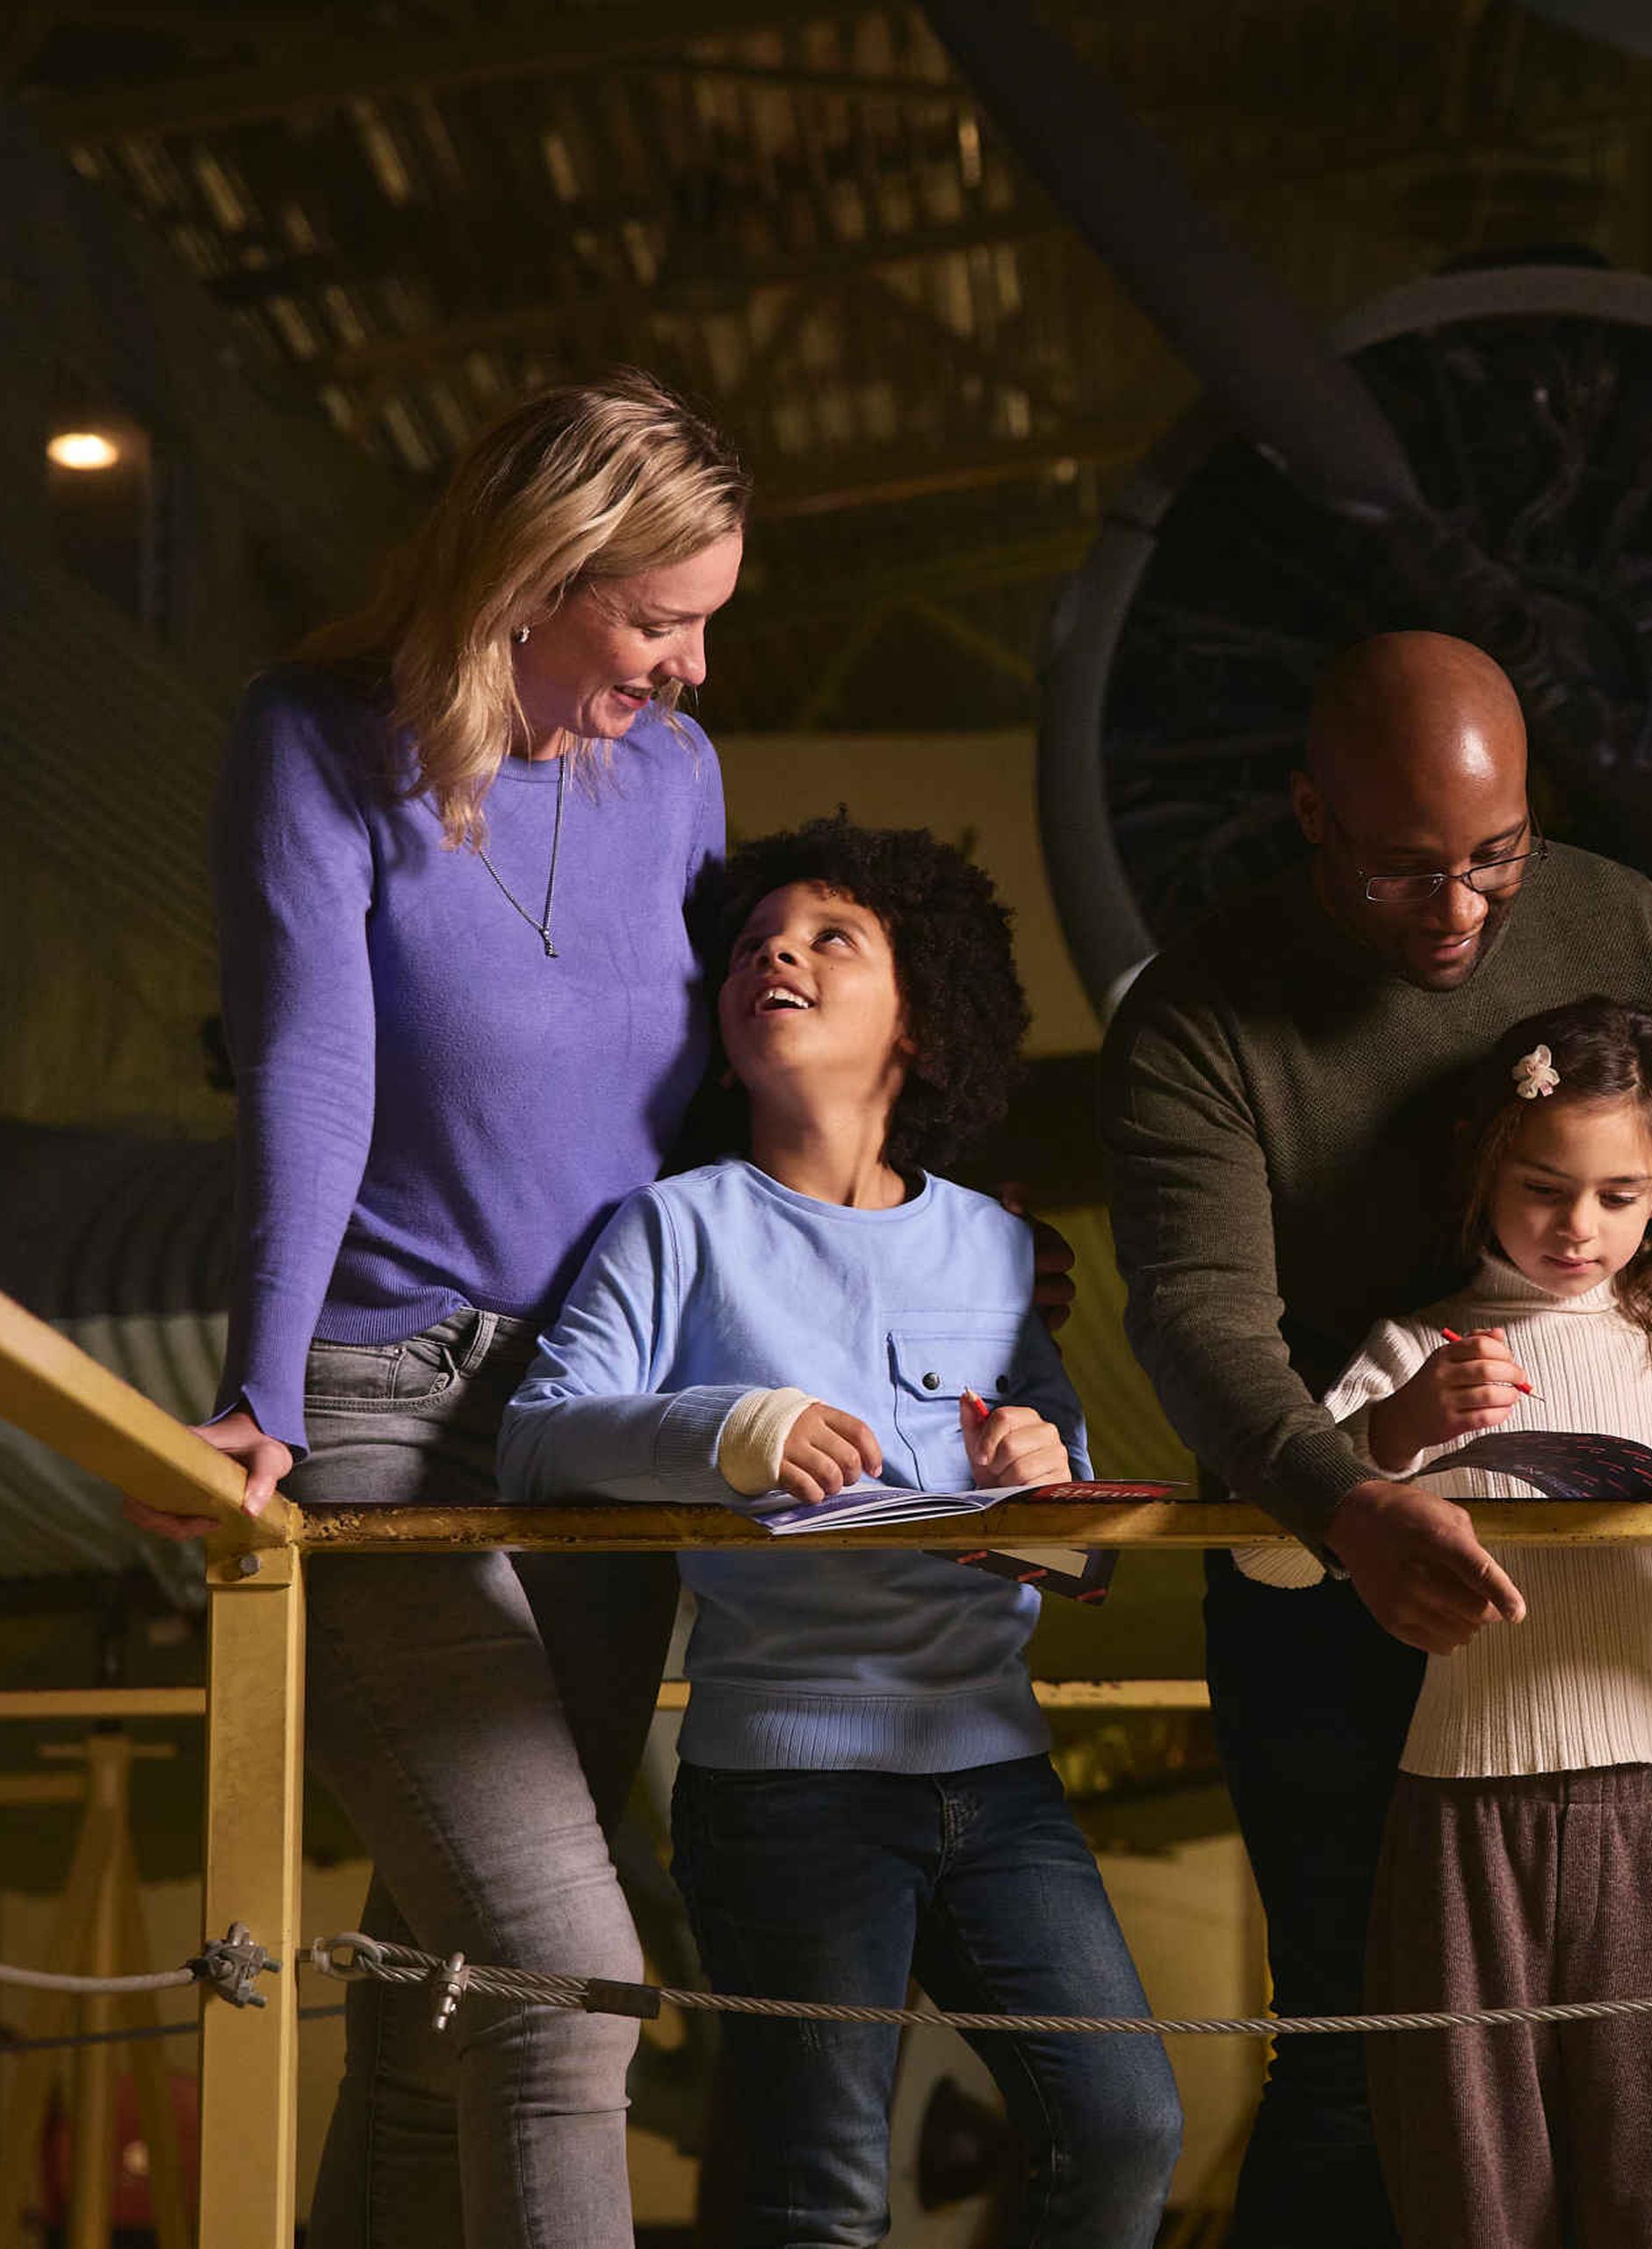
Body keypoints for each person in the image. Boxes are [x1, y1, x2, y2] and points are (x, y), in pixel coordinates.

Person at [1100, 630, 1652, 2241]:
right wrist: (1348, 1501)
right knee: (1352, 2068)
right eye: (1403, 873)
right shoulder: (1198, 1010)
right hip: (1326, 1533)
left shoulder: (1619, 920)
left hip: (1608, 1664)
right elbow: (1196, 1319)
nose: (1459, 913)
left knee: (1647, 2108)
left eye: (1496, 860)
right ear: (1310, 813)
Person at [144, 371, 746, 2249]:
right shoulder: (318, 742)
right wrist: (263, 1394)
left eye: (709, 622)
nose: (692, 668)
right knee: (567, 1981)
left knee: (434, 2009)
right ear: (537, 572)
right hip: (391, 1402)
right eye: (659, 621)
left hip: (606, 1419)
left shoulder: (681, 779)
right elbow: (310, 1069)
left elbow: (731, 1100)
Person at [500, 817, 1182, 2248]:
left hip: (998, 1775)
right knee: (824, 2199)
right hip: (784, 1790)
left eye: (829, 940)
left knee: (1126, 2132)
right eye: (753, 947)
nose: (777, 959)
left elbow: (1092, 1536)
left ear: (920, 1022)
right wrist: (728, 1428)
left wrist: (1043, 1469)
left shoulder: (996, 1246)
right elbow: (538, 1437)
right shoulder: (673, 1230)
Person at [1234, 998, 1652, 2247]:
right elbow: (1267, 1557)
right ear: (1487, 1165)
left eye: (1620, 1195)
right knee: (1470, 2182)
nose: (1578, 1228)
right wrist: (1398, 1430)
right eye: (1542, 1187)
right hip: (1456, 1809)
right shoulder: (1414, 1346)